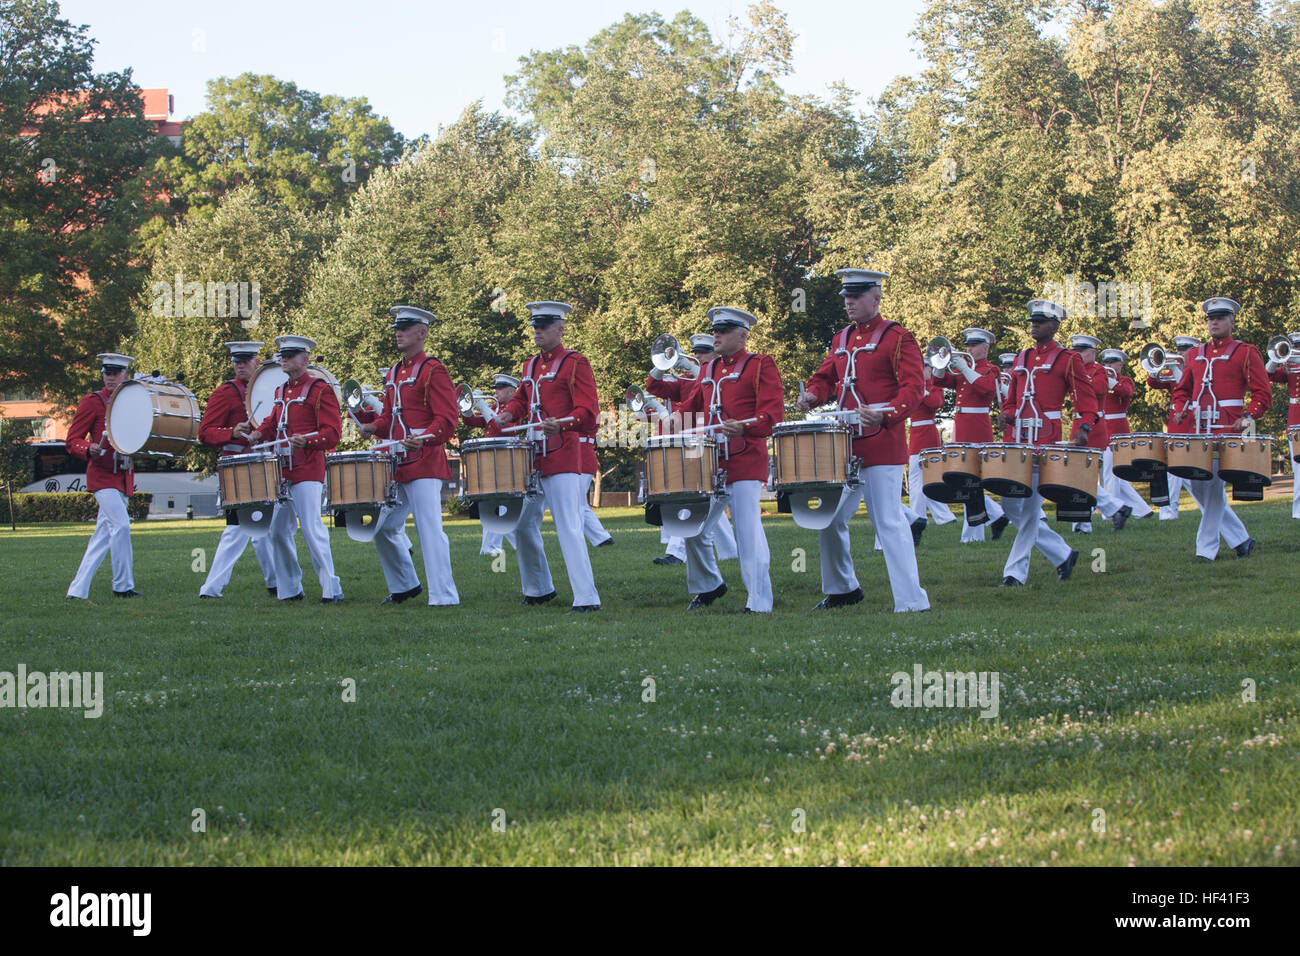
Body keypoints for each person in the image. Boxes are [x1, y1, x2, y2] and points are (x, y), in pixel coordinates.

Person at [797, 269, 929, 612]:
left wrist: (887, 414)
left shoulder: (898, 337)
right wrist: (812, 394)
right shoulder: (841, 338)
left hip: (882, 440)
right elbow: (826, 376)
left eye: (856, 296)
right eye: (846, 297)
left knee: (886, 520)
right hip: (844, 443)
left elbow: (915, 388)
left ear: (876, 297)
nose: (849, 302)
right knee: (828, 517)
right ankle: (843, 589)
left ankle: (912, 600)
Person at [673, 307, 783, 612]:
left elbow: (773, 413)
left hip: (746, 458)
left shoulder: (760, 365)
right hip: (710, 462)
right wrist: (663, 421)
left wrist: (745, 425)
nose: (716, 335)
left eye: (723, 330)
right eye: (715, 330)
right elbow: (691, 408)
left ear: (742, 335)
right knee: (691, 526)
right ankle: (709, 585)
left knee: (747, 531)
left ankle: (759, 601)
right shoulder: (707, 370)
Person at [498, 301, 601, 612]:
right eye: (535, 326)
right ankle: (539, 588)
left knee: (568, 525)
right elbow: (521, 399)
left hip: (563, 453)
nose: (538, 331)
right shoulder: (529, 365)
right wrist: (506, 414)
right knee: (521, 523)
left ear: (560, 328)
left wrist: (563, 422)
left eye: (544, 325)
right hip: (533, 456)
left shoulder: (575, 362)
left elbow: (588, 410)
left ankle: (587, 597)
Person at [358, 306, 460, 606]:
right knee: (384, 528)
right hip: (397, 461)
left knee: (430, 530)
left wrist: (425, 438)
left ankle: (444, 595)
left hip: (425, 460)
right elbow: (389, 416)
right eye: (397, 328)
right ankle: (404, 586)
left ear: (422, 332)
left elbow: (447, 418)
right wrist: (372, 426)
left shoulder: (433, 370)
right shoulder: (393, 372)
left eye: (405, 328)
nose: (399, 333)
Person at [996, 300, 1096, 586]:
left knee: (1028, 508)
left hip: (1046, 438)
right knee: (1009, 503)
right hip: (1018, 440)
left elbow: (1085, 399)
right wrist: (1007, 416)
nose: (1034, 325)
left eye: (1040, 321)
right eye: (1032, 320)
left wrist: (1083, 428)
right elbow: (1013, 401)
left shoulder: (1068, 358)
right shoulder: (1021, 357)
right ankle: (1063, 554)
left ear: (1055, 326)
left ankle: (1014, 573)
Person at [247, 335, 344, 603]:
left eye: (290, 355)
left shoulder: (319, 389)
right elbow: (273, 421)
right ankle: (290, 588)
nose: (284, 359)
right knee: (277, 530)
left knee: (312, 528)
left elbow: (332, 433)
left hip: (308, 469)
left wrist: (308, 440)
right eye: (282, 355)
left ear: (306, 358)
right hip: (283, 470)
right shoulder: (281, 391)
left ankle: (331, 587)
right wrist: (257, 434)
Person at [1170, 297, 1269, 561]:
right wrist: (1180, 408)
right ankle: (1242, 540)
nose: (1214, 322)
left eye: (1220, 318)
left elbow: (1263, 392)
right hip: (1197, 429)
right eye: (1210, 319)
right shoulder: (1194, 354)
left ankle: (1205, 550)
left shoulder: (1246, 352)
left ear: (1231, 321)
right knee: (1195, 484)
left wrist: (1249, 416)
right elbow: (1182, 390)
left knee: (1211, 487)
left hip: (1227, 429)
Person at [646, 333, 739, 566]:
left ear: (714, 354)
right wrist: (661, 364)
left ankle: (677, 552)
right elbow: (654, 386)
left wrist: (690, 367)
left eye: (702, 353)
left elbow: (709, 387)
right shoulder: (687, 379)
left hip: (713, 439)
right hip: (693, 440)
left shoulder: (716, 376)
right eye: (694, 353)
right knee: (706, 496)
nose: (697, 357)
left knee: (693, 493)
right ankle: (730, 551)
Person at [198, 341, 278, 598]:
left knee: (263, 529)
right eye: (237, 362)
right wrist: (231, 432)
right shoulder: (225, 393)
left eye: (246, 361)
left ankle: (276, 583)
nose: (241, 366)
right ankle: (211, 587)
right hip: (237, 466)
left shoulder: (271, 387)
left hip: (265, 462)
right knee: (237, 529)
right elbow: (205, 433)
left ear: (257, 362)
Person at [66, 353, 139, 599]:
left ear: (124, 375)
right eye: (106, 373)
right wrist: (88, 448)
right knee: (121, 526)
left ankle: (77, 590)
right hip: (102, 476)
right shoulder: (92, 401)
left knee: (102, 536)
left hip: (123, 476)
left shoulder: (134, 402)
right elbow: (72, 440)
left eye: (115, 373)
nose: (110, 377)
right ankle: (123, 587)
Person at [939, 328, 1009, 543]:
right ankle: (996, 517)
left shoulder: (991, 369)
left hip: (978, 426)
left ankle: (973, 533)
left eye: (973, 345)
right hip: (961, 425)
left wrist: (964, 368)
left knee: (971, 479)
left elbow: (984, 388)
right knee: (965, 478)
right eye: (968, 345)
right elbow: (940, 382)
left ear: (985, 348)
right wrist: (940, 364)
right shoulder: (965, 368)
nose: (968, 348)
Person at [1068, 335, 1134, 533]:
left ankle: (1090, 520)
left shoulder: (1099, 370)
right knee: (1079, 474)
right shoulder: (1073, 370)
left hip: (1093, 425)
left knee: (1083, 474)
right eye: (1075, 351)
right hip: (1078, 422)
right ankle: (1090, 519)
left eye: (1082, 351)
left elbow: (1099, 388)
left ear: (1092, 352)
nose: (1077, 355)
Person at [461, 373, 520, 555]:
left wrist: (484, 407)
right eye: (496, 389)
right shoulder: (495, 407)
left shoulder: (513, 409)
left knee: (499, 503)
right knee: (491, 502)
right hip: (492, 457)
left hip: (504, 457)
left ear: (511, 391)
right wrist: (468, 407)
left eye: (500, 389)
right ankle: (495, 546)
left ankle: (494, 546)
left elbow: (499, 427)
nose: (496, 392)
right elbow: (471, 421)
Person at [1098, 348, 1155, 522]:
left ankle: (1111, 513)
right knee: (1114, 475)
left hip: (1117, 430)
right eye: (1106, 363)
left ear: (1120, 364)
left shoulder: (1124, 381)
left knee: (1111, 474)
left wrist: (1113, 383)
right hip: (1102, 427)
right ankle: (1142, 510)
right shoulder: (1100, 380)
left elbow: (1127, 393)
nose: (1108, 366)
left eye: (1112, 362)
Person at [1147, 335, 1199, 519]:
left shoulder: (1199, 370)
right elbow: (1154, 382)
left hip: (1192, 419)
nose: (1180, 353)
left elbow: (1191, 388)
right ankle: (1168, 511)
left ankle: (1202, 506)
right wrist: (1155, 367)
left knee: (1187, 468)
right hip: (1176, 422)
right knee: (1176, 469)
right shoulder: (1173, 369)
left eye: (1184, 350)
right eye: (1179, 350)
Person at [901, 365, 956, 542]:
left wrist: (923, 390)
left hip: (927, 434)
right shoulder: (915, 385)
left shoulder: (933, 387)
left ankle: (920, 517)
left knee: (923, 480)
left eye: (924, 368)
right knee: (922, 481)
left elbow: (936, 403)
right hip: (917, 434)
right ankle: (943, 516)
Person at [1265, 331, 1300, 519]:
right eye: (1294, 348)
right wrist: (1276, 357)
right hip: (1295, 419)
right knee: (1298, 468)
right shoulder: (1289, 366)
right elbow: (1266, 374)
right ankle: (1298, 511)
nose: (1295, 351)